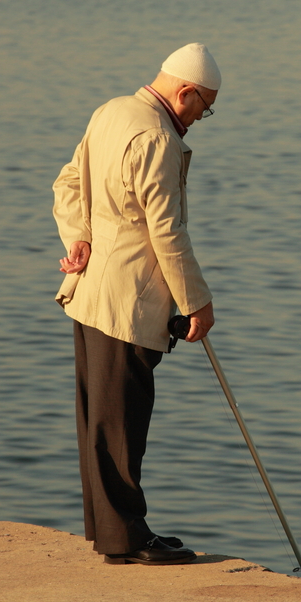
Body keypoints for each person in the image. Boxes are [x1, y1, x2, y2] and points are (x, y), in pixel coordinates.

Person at [51, 43, 220, 566]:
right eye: (203, 107)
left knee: (99, 420)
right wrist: (199, 302)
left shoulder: (111, 111)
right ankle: (126, 536)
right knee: (122, 421)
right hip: (126, 301)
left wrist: (76, 235)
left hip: (89, 293)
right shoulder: (156, 137)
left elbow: (67, 183)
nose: (201, 118)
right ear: (184, 91)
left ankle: (114, 528)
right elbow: (165, 230)